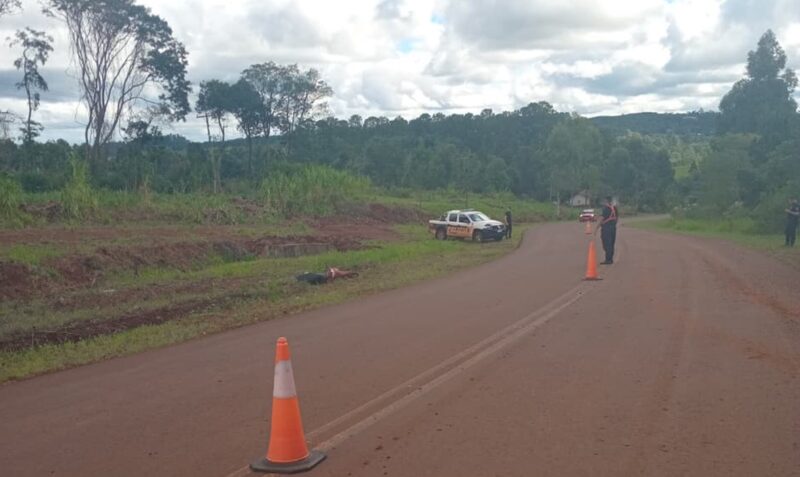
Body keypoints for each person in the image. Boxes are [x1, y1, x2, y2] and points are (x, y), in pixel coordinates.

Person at [596, 196, 618, 264]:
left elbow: (602, 219)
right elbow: (616, 218)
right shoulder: (614, 208)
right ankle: (610, 259)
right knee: (611, 244)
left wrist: (596, 228)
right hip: (613, 228)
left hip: (606, 228)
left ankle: (608, 260)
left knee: (606, 244)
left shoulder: (606, 208)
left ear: (606, 201)